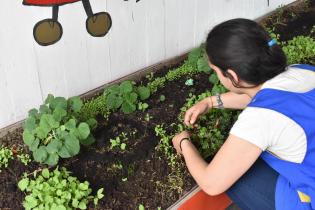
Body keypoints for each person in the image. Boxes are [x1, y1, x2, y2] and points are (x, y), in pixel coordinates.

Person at [172, 18, 315, 210]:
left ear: (232, 76)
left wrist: (183, 143)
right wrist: (211, 102)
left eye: (216, 71)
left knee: (235, 179)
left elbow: (211, 183)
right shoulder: (302, 71)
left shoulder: (260, 119)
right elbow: (268, 97)